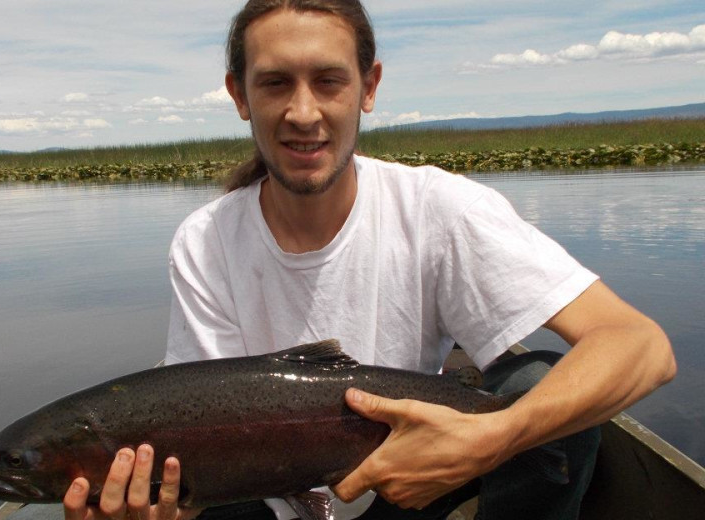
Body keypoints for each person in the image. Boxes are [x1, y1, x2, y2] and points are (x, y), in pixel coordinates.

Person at [63, 1, 677, 519]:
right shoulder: (206, 240)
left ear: (369, 87)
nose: (304, 112)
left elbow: (640, 345)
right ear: (239, 95)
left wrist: (490, 440)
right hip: (268, 505)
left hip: (408, 490)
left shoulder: (439, 208)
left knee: (535, 384)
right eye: (275, 82)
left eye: (328, 81)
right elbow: (198, 421)